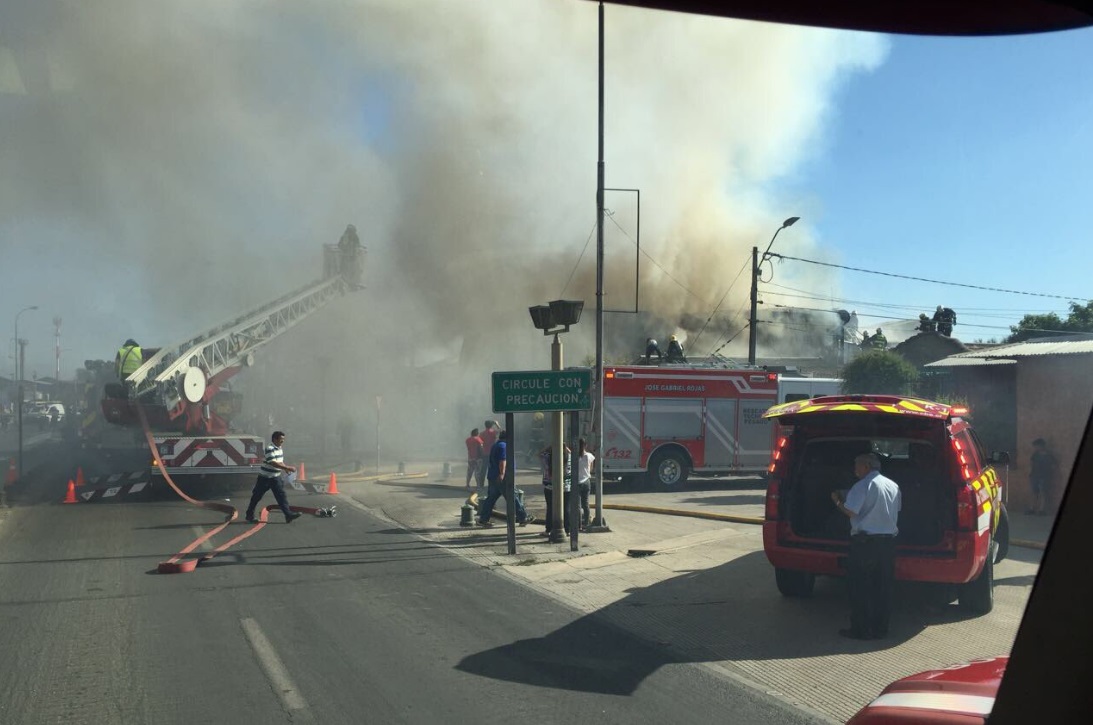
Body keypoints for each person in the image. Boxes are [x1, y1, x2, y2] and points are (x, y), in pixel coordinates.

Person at [830, 452, 902, 640]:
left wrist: (836, 500)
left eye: (857, 465)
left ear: (867, 467)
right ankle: (881, 628)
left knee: (860, 587)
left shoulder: (862, 486)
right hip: (887, 544)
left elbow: (850, 511)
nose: (855, 469)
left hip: (865, 545)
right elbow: (897, 509)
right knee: (883, 588)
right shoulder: (893, 485)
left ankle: (861, 629)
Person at [477, 429, 532, 527]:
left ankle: (483, 519)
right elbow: (502, 460)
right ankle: (523, 518)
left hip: (493, 476)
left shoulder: (496, 445)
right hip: (503, 478)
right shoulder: (504, 446)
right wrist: (502, 474)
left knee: (491, 499)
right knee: (513, 497)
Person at [245, 431, 301, 523]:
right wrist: (288, 467)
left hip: (275, 477)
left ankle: (288, 515)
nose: (283, 441)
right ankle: (249, 515)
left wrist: (285, 468)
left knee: (281, 496)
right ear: (275, 439)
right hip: (264, 478)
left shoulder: (279, 448)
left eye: (283, 439)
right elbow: (273, 463)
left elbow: (280, 461)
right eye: (281, 439)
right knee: (256, 497)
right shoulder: (269, 448)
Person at [538, 443, 572, 536]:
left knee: (550, 508)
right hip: (566, 487)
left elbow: (539, 454)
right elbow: (571, 453)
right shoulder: (569, 457)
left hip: (550, 487)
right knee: (566, 508)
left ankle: (548, 530)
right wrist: (565, 447)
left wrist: (550, 446)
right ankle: (567, 530)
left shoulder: (547, 457)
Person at [1027, 438, 1058, 516]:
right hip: (1035, 475)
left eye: (1036, 446)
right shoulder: (1035, 454)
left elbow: (1054, 466)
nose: (1035, 448)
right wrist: (1031, 473)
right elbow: (1031, 463)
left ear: (1041, 446)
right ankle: (1032, 508)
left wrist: (1049, 473)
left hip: (1044, 476)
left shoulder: (1049, 455)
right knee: (1034, 492)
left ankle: (1042, 510)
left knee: (1043, 492)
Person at [576, 438, 596, 530]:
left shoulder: (574, 456)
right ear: (585, 445)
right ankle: (587, 523)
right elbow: (591, 468)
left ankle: (579, 525)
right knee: (586, 504)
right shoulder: (589, 456)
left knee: (578, 505)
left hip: (577, 482)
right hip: (587, 481)